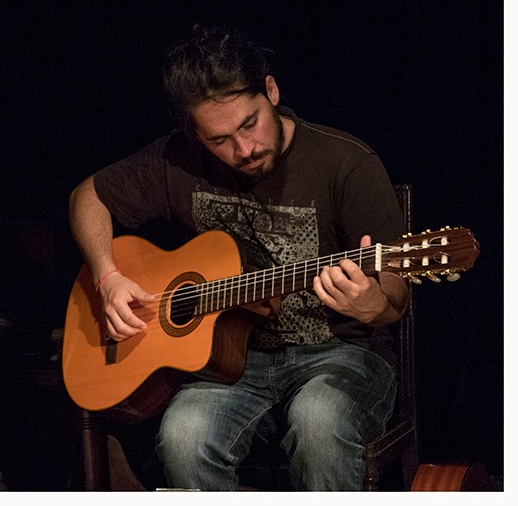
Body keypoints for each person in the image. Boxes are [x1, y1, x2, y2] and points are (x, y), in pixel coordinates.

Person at [68, 24, 409, 490]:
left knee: (318, 422)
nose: (243, 149)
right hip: (228, 364)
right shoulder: (178, 161)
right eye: (219, 140)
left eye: (250, 124)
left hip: (341, 353)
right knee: (183, 436)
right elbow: (88, 196)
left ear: (270, 90)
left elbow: (394, 290)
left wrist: (373, 301)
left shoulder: (346, 164)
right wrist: (107, 277)